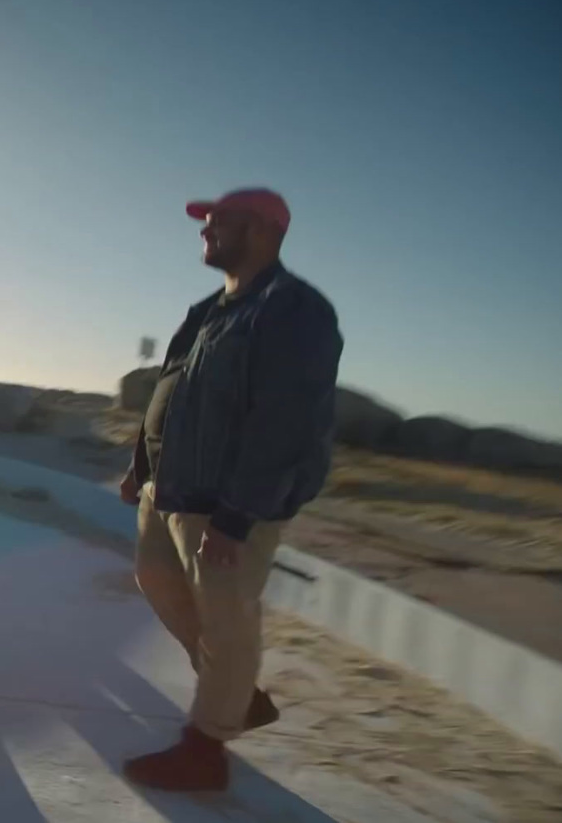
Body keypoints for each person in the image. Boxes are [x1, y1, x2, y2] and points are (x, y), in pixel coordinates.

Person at [119, 188, 343, 792]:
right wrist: (140, 466)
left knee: (227, 623)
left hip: (225, 504)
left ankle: (205, 750)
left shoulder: (294, 310)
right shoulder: (207, 311)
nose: (206, 231)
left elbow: (284, 420)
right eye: (206, 223)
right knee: (157, 582)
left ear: (266, 230)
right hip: (170, 489)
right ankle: (236, 696)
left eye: (220, 222)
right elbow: (170, 390)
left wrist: (238, 515)